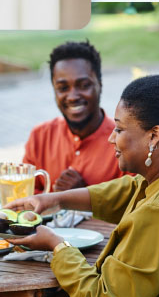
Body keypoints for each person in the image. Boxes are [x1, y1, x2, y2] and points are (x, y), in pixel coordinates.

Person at [6, 75, 159, 297]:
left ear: (154, 136)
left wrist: (57, 246)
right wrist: (55, 199)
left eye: (118, 130)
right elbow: (131, 189)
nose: (111, 139)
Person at [23, 40, 123, 192]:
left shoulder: (124, 143)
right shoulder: (40, 136)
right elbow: (25, 198)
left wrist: (85, 197)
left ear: (100, 84)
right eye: (63, 88)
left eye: (83, 85)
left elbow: (132, 211)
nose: (73, 96)